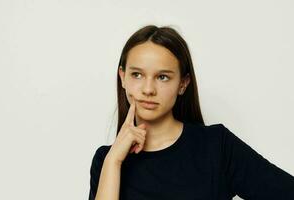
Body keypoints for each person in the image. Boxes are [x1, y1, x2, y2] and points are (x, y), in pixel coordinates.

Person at [88, 25, 294, 200]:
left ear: (183, 84)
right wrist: (113, 161)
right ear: (122, 77)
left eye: (163, 77)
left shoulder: (216, 146)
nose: (148, 89)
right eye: (137, 74)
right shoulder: (107, 159)